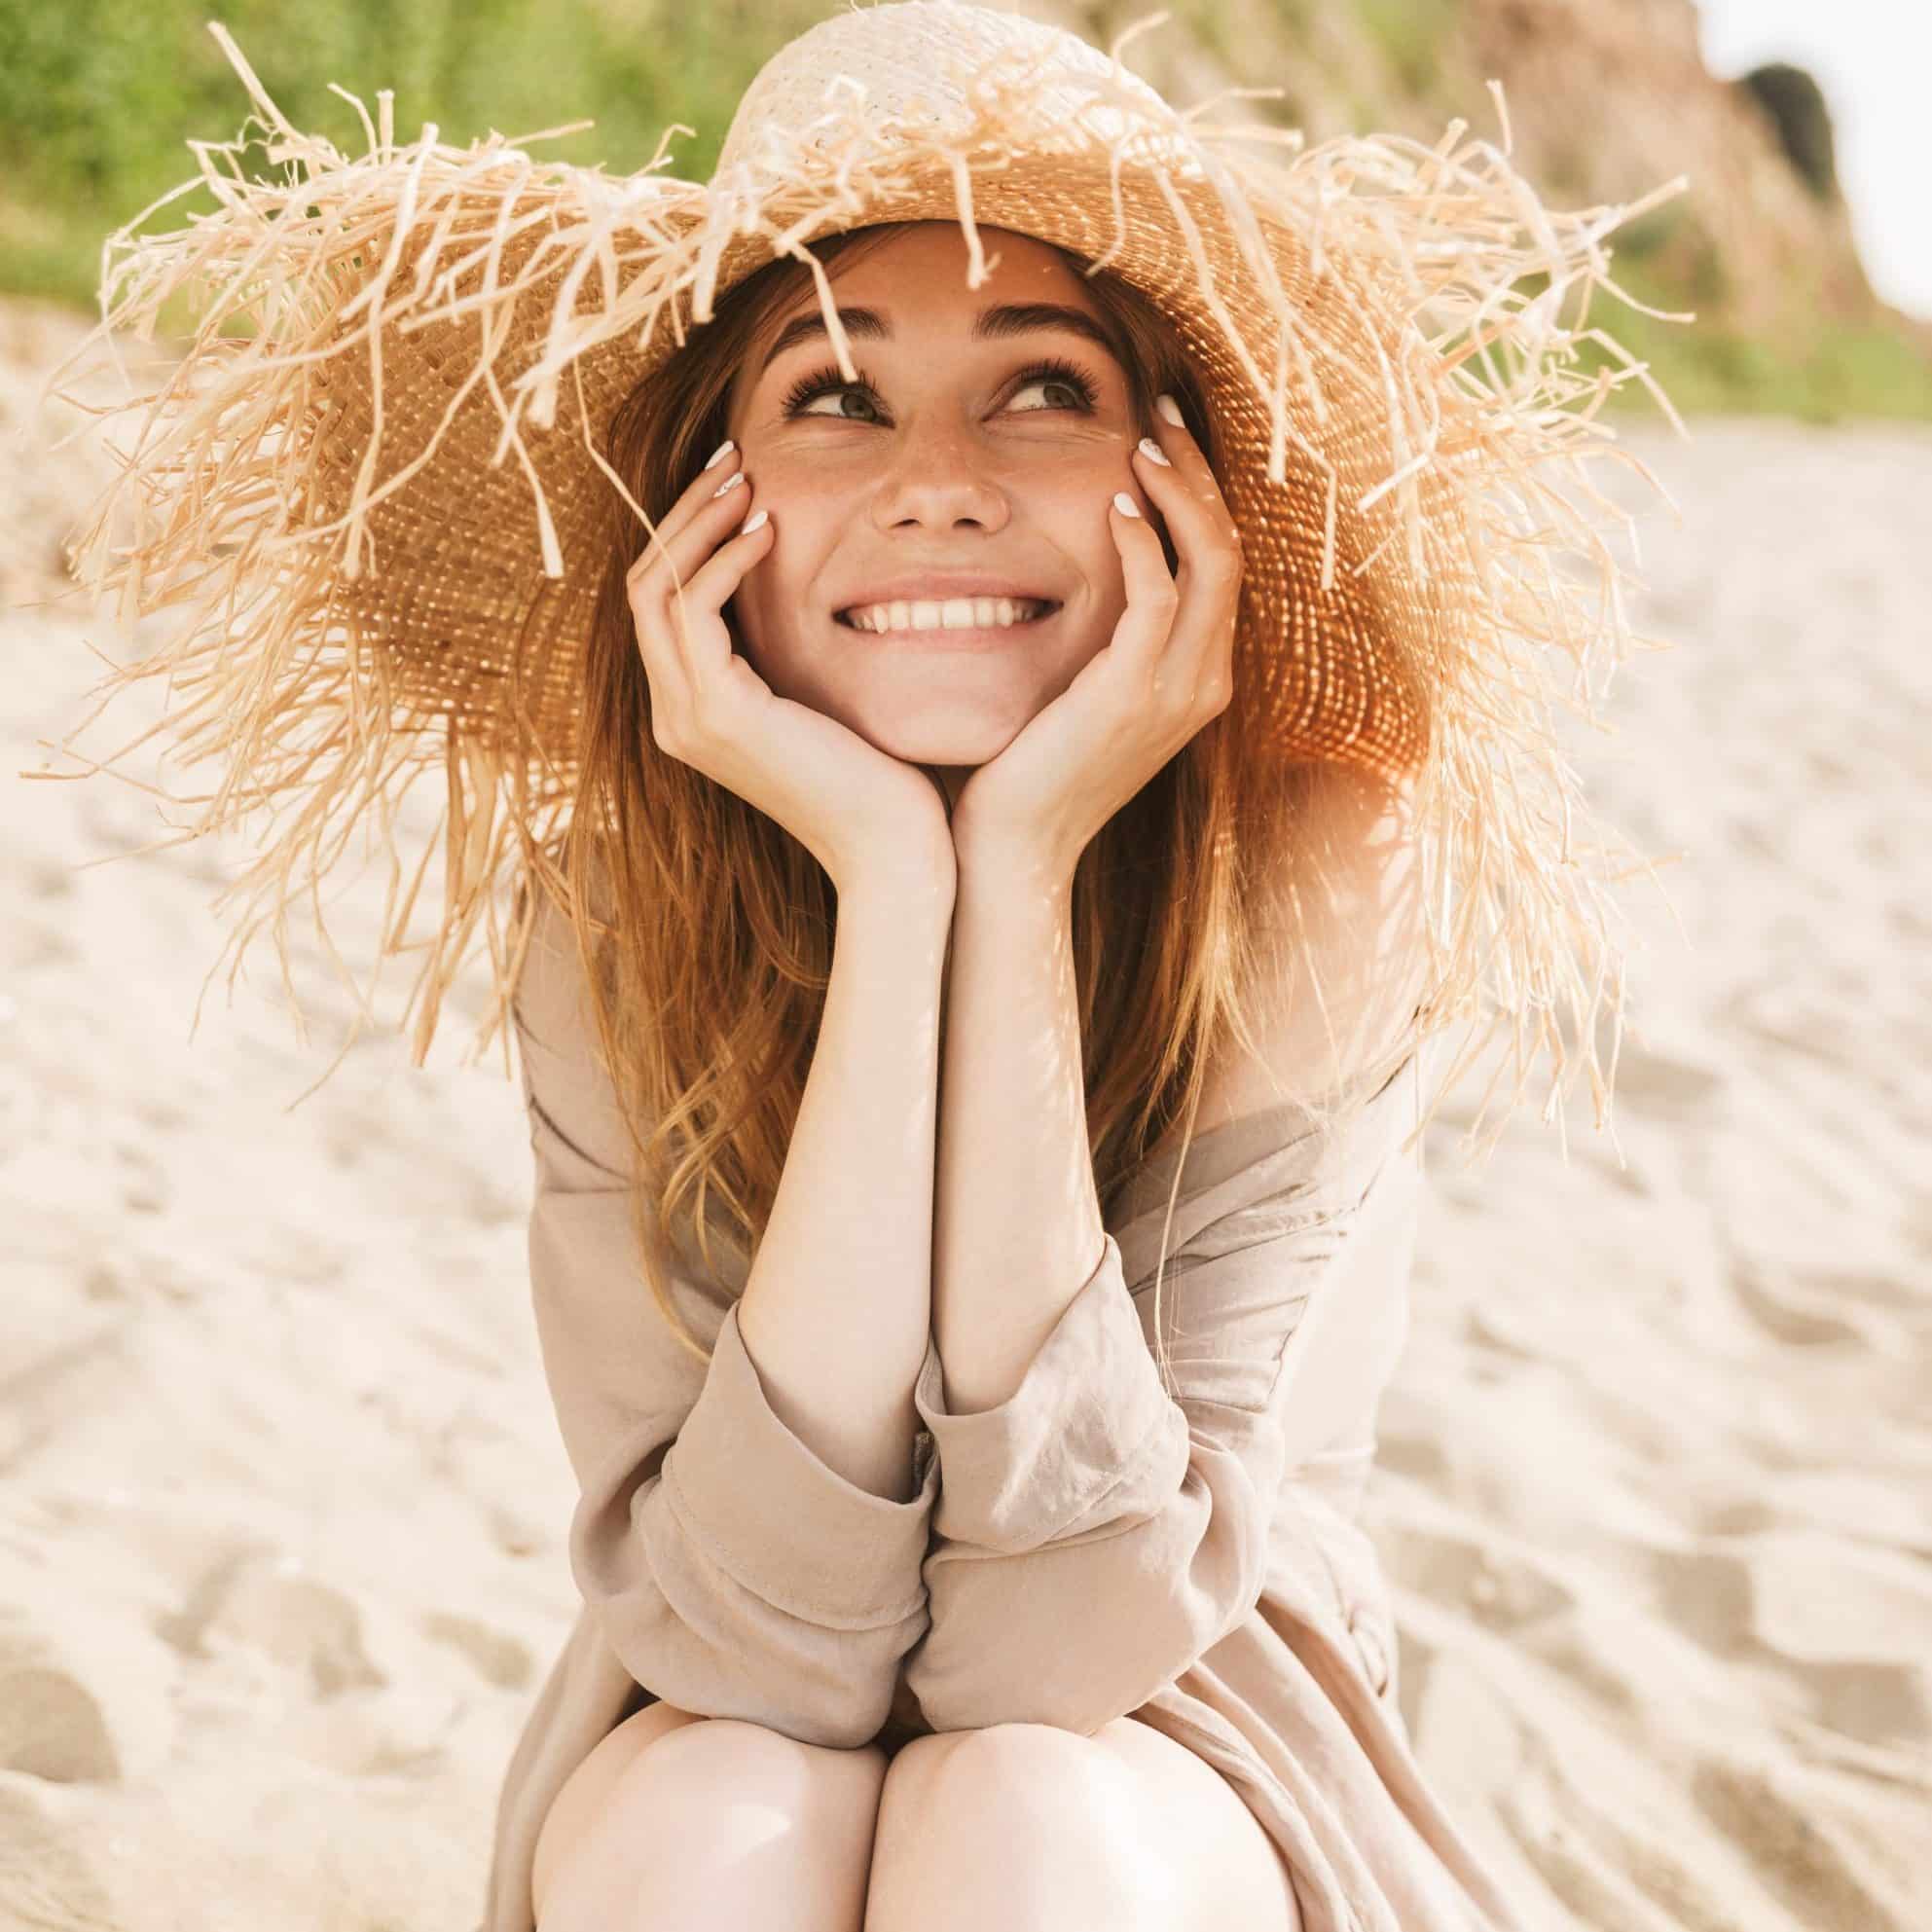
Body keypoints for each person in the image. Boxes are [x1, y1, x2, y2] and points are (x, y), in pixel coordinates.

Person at [36, 4, 1688, 1927]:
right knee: (712, 1814)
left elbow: (1063, 1645)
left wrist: (1028, 867)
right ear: (703, 512)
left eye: (1043, 388)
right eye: (834, 393)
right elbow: (760, 1655)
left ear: (1183, 483)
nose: (941, 479)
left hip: (1191, 1739)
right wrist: (901, 890)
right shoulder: (612, 907)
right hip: (717, 1717)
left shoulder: (1310, 873)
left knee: (1015, 1816)